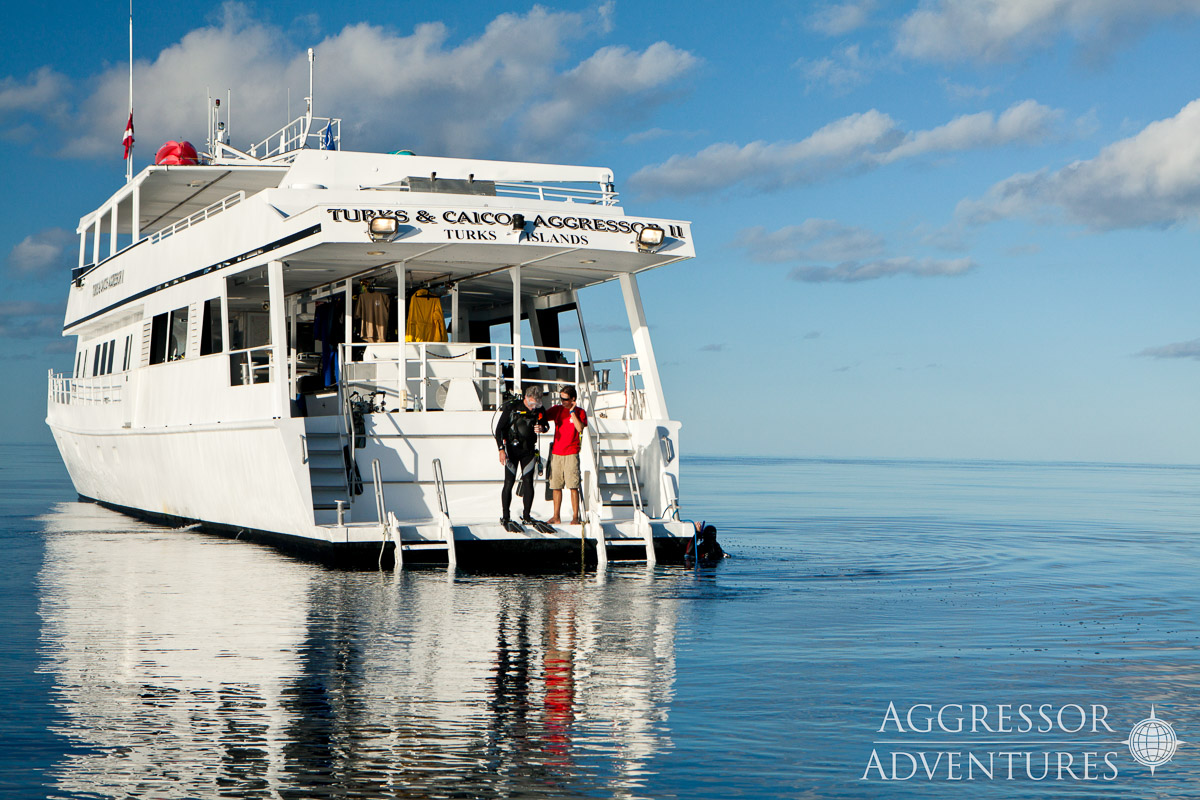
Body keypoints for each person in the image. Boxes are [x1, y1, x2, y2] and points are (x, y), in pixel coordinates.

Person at [495, 385, 549, 530]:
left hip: (528, 451)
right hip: (512, 451)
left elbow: (546, 425)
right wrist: (501, 449)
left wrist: (542, 428)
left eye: (536, 405)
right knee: (509, 483)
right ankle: (505, 516)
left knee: (528, 483)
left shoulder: (539, 410)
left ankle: (526, 516)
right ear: (526, 398)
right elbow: (498, 429)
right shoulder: (512, 407)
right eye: (531, 404)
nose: (533, 408)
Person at [545, 385, 588, 525]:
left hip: (571, 453)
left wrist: (572, 412)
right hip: (557, 453)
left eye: (565, 399)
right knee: (556, 486)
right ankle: (556, 516)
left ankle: (575, 517)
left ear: (573, 399)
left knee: (573, 486)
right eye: (561, 398)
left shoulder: (580, 412)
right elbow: (543, 416)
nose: (562, 401)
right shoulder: (557, 410)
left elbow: (580, 428)